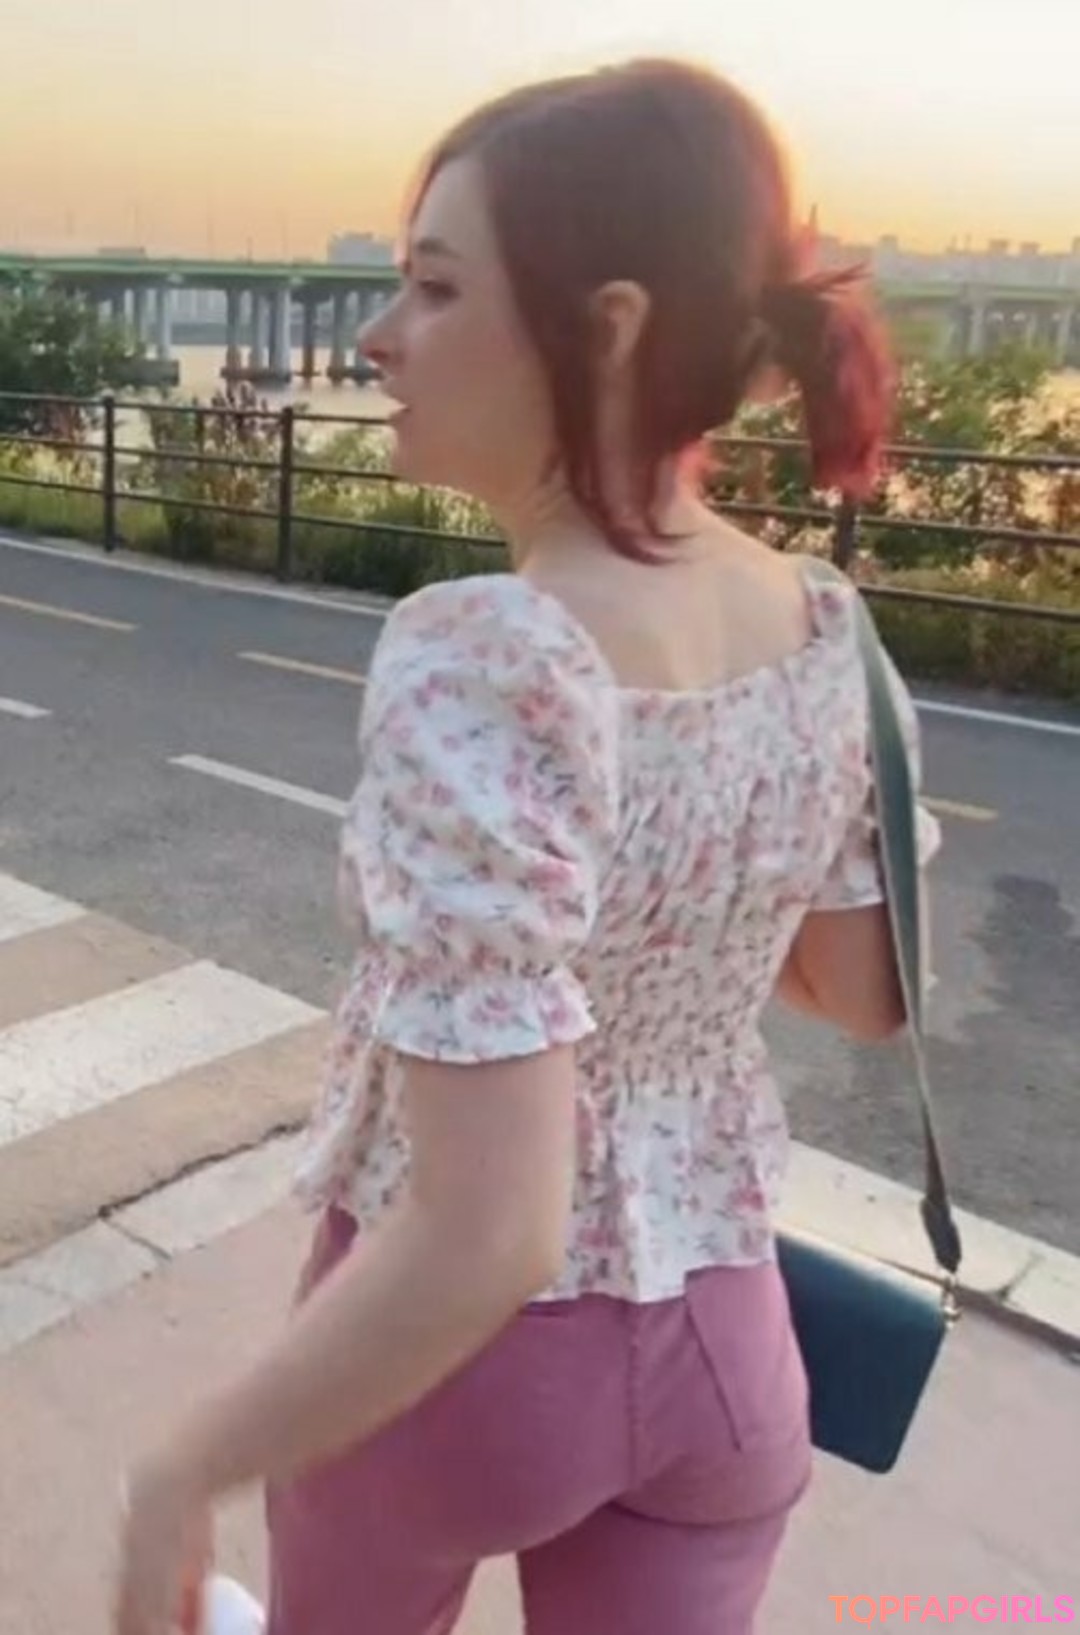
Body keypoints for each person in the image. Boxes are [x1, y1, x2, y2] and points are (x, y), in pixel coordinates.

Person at [114, 57, 941, 1635]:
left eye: (434, 287)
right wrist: (683, 900)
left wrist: (180, 1466)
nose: (378, 336)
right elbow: (862, 992)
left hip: (468, 1379)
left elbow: (489, 1230)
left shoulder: (491, 652)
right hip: (728, 1341)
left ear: (610, 330)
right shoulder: (827, 629)